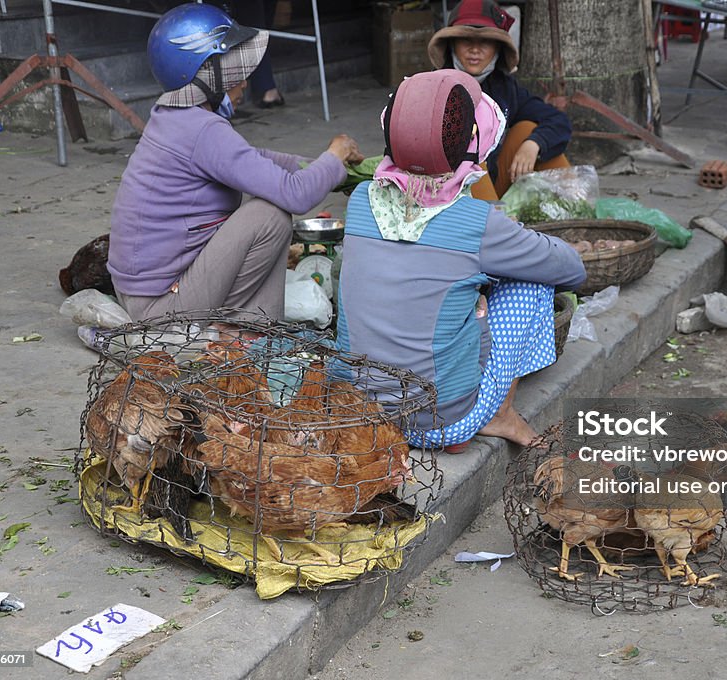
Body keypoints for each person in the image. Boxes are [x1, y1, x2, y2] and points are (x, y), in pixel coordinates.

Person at [335, 70, 586, 451]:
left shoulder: (359, 201)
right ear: (473, 141)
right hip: (439, 426)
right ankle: (498, 412)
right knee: (532, 280)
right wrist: (507, 243)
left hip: (358, 414)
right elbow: (571, 269)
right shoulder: (478, 222)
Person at [108, 3, 362, 324]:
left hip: (139, 296)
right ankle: (253, 331)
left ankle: (248, 325)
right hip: (161, 308)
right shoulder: (203, 129)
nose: (243, 84)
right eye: (237, 76)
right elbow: (296, 195)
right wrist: (334, 156)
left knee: (267, 203)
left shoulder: (173, 117)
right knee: (270, 215)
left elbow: (255, 160)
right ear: (208, 76)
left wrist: (326, 168)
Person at [428, 0, 572, 201]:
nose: (475, 49)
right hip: (447, 196)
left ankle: (576, 215)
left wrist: (534, 144)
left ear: (497, 49)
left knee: (528, 130)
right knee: (470, 152)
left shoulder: (504, 88)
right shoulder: (431, 87)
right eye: (465, 40)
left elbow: (557, 120)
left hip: (494, 182)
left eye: (485, 41)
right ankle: (496, 224)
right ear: (452, 43)